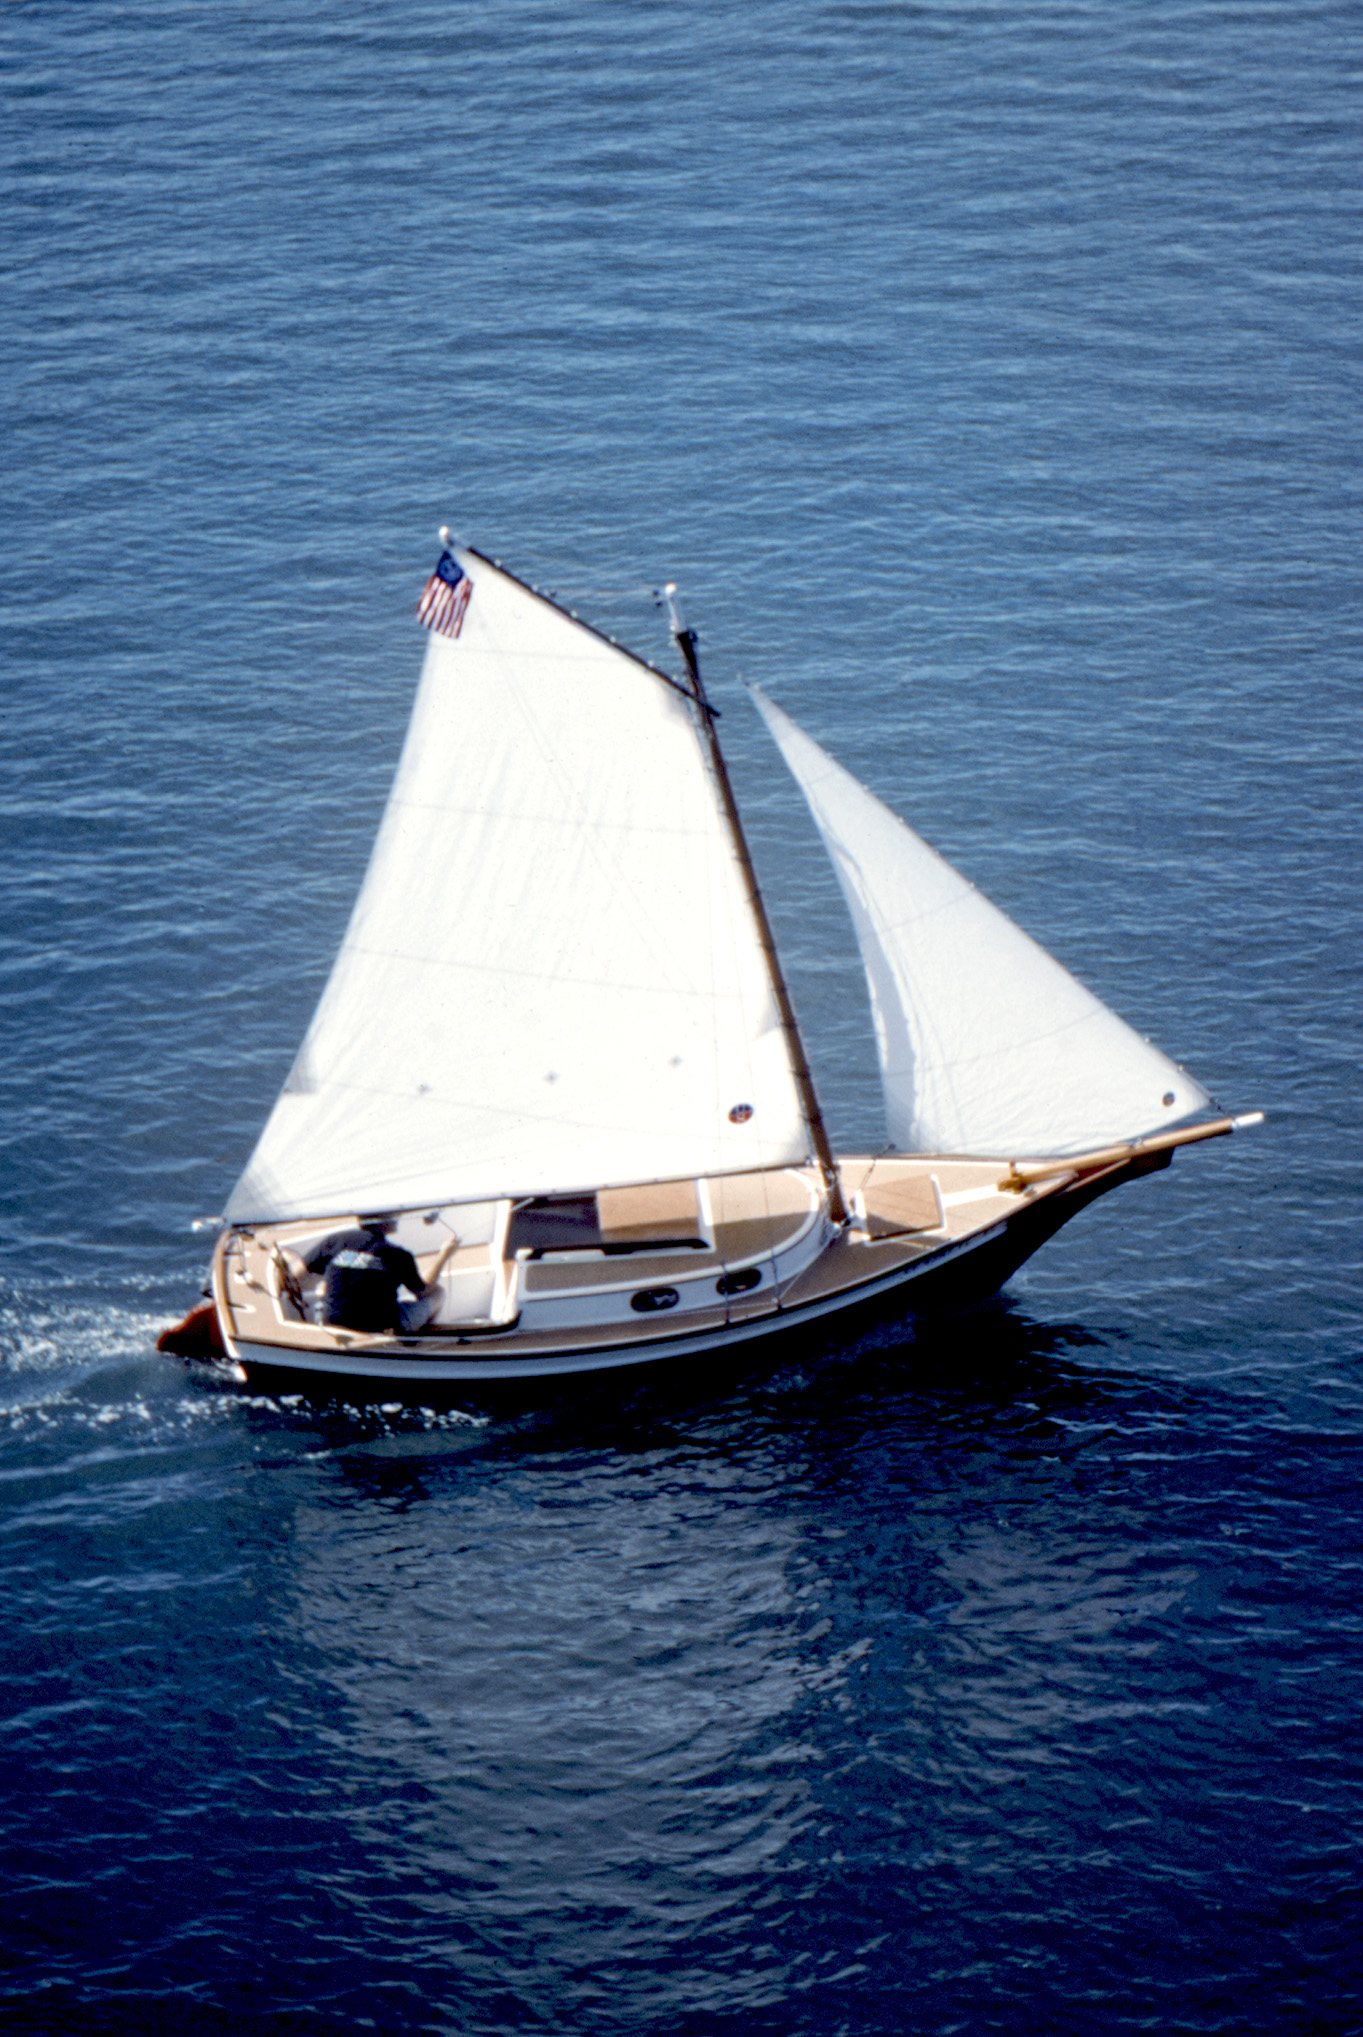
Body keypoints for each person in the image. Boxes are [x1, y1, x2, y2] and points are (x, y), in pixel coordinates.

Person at [281, 1216, 448, 1335]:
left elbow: (298, 1272)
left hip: (332, 1322)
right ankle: (416, 1339)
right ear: (388, 1220)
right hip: (380, 1328)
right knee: (438, 1293)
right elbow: (423, 1291)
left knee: (325, 1281)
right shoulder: (399, 1255)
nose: (398, 1217)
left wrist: (286, 1254)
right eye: (394, 1214)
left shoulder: (338, 1240)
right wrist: (444, 1255)